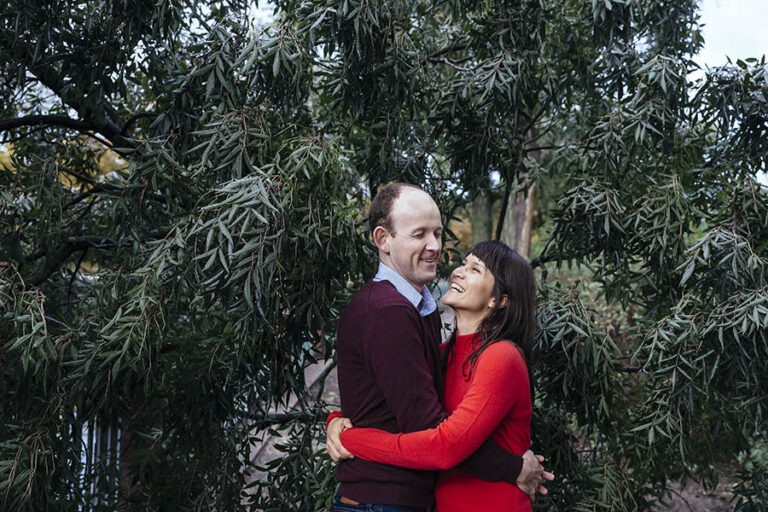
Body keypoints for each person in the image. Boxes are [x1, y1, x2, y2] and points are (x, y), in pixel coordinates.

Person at [324, 183, 549, 512]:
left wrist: (346, 430)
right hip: (382, 500)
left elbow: (430, 429)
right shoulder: (392, 313)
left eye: (438, 233)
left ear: (499, 300)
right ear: (383, 239)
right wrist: (337, 422)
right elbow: (427, 428)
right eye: (419, 234)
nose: (435, 247)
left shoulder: (437, 323)